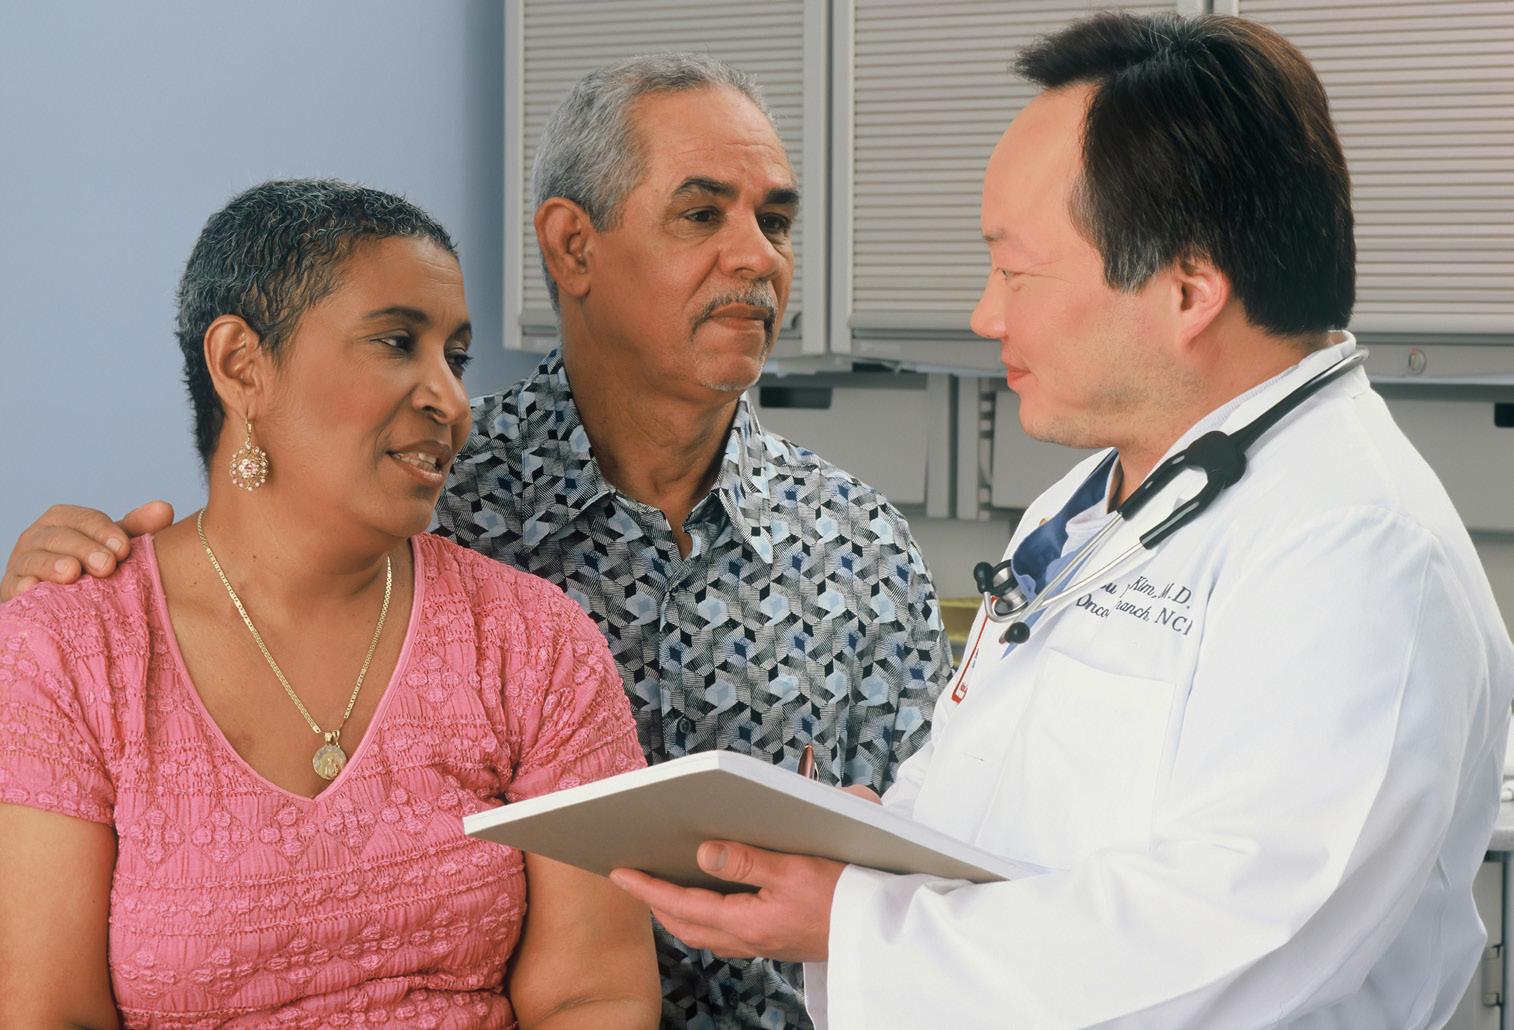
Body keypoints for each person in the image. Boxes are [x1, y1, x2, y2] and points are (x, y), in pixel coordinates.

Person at [0, 54, 949, 1029]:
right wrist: (52, 611)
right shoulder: (414, 488)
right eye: (702, 213)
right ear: (572, 246)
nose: (757, 257)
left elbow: (948, 870)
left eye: (776, 222)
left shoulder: (861, 548)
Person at [608, 13, 1514, 1029]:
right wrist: (874, 845)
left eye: (1016, 272)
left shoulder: (1356, 549)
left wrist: (857, 921)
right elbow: (1005, 788)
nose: (985, 315)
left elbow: (1246, 942)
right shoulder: (1090, 502)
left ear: (1188, 290)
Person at [0, 180, 660, 1028]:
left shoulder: (532, 642)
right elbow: (48, 1012)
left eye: (455, 358)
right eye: (396, 343)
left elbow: (595, 993)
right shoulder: (67, 651)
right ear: (241, 365)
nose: (452, 401)